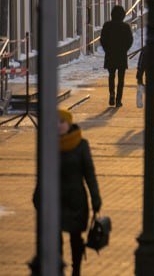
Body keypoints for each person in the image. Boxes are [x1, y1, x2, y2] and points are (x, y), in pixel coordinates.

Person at [31, 108, 101, 276]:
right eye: (55, 122)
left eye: (61, 122)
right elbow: (43, 174)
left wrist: (95, 197)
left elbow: (89, 173)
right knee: (55, 240)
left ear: (68, 124)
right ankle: (58, 269)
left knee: (75, 238)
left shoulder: (81, 144)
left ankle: (76, 269)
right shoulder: (48, 145)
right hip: (54, 200)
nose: (58, 126)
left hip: (76, 200)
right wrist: (37, 195)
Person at [98, 5, 133, 108]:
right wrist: (124, 49)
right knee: (121, 78)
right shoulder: (125, 27)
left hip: (110, 54)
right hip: (121, 55)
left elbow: (103, 39)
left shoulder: (107, 25)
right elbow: (130, 40)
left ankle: (112, 94)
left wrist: (107, 49)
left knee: (111, 75)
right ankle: (118, 100)